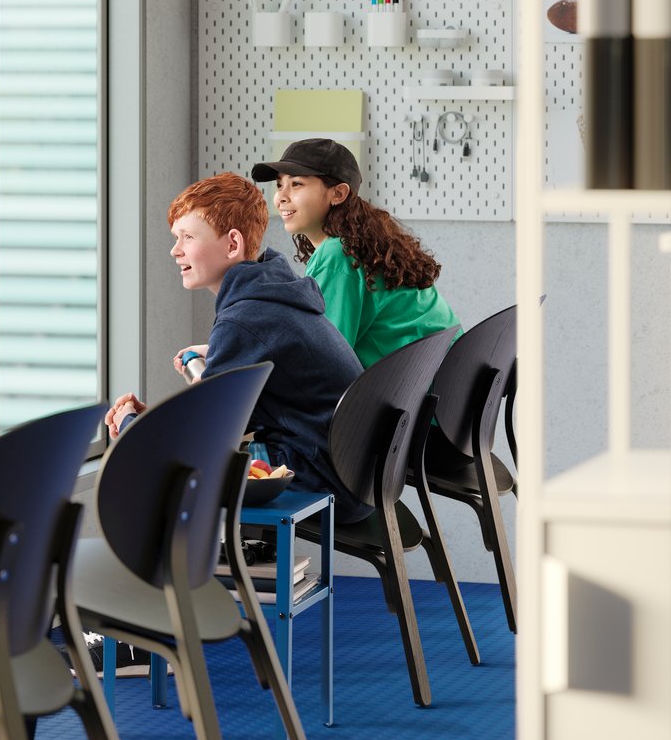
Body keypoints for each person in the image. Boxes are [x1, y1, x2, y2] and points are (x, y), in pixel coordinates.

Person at [106, 171, 368, 523]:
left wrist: (131, 426)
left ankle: (190, 573)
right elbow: (226, 414)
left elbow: (203, 443)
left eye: (188, 237)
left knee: (170, 471)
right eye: (176, 237)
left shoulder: (244, 320)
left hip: (323, 479)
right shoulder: (273, 291)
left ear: (232, 244)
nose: (175, 249)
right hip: (353, 474)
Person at [249, 138, 460, 369]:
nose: (281, 197)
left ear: (338, 193)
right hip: (439, 385)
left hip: (411, 393)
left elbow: (322, 359)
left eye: (297, 184)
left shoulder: (338, 255)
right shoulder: (364, 244)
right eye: (280, 185)